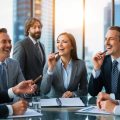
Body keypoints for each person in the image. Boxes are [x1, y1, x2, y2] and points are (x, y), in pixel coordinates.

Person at [40, 32, 88, 97]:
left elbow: (84, 90)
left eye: (64, 42)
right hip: (53, 105)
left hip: (72, 105)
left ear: (72, 46)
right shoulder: (49, 63)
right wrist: (50, 69)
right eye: (58, 42)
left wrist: (73, 94)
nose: (60, 45)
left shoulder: (81, 64)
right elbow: (44, 90)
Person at [13, 17, 46, 95]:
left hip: (40, 91)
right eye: (34, 27)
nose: (38, 29)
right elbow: (18, 71)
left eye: (39, 27)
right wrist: (25, 91)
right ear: (28, 29)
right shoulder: (21, 45)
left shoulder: (42, 46)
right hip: (27, 92)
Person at [88, 26, 120, 99]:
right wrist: (97, 68)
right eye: (106, 39)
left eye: (111, 39)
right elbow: (93, 92)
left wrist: (110, 96)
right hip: (108, 109)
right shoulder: (104, 61)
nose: (107, 43)